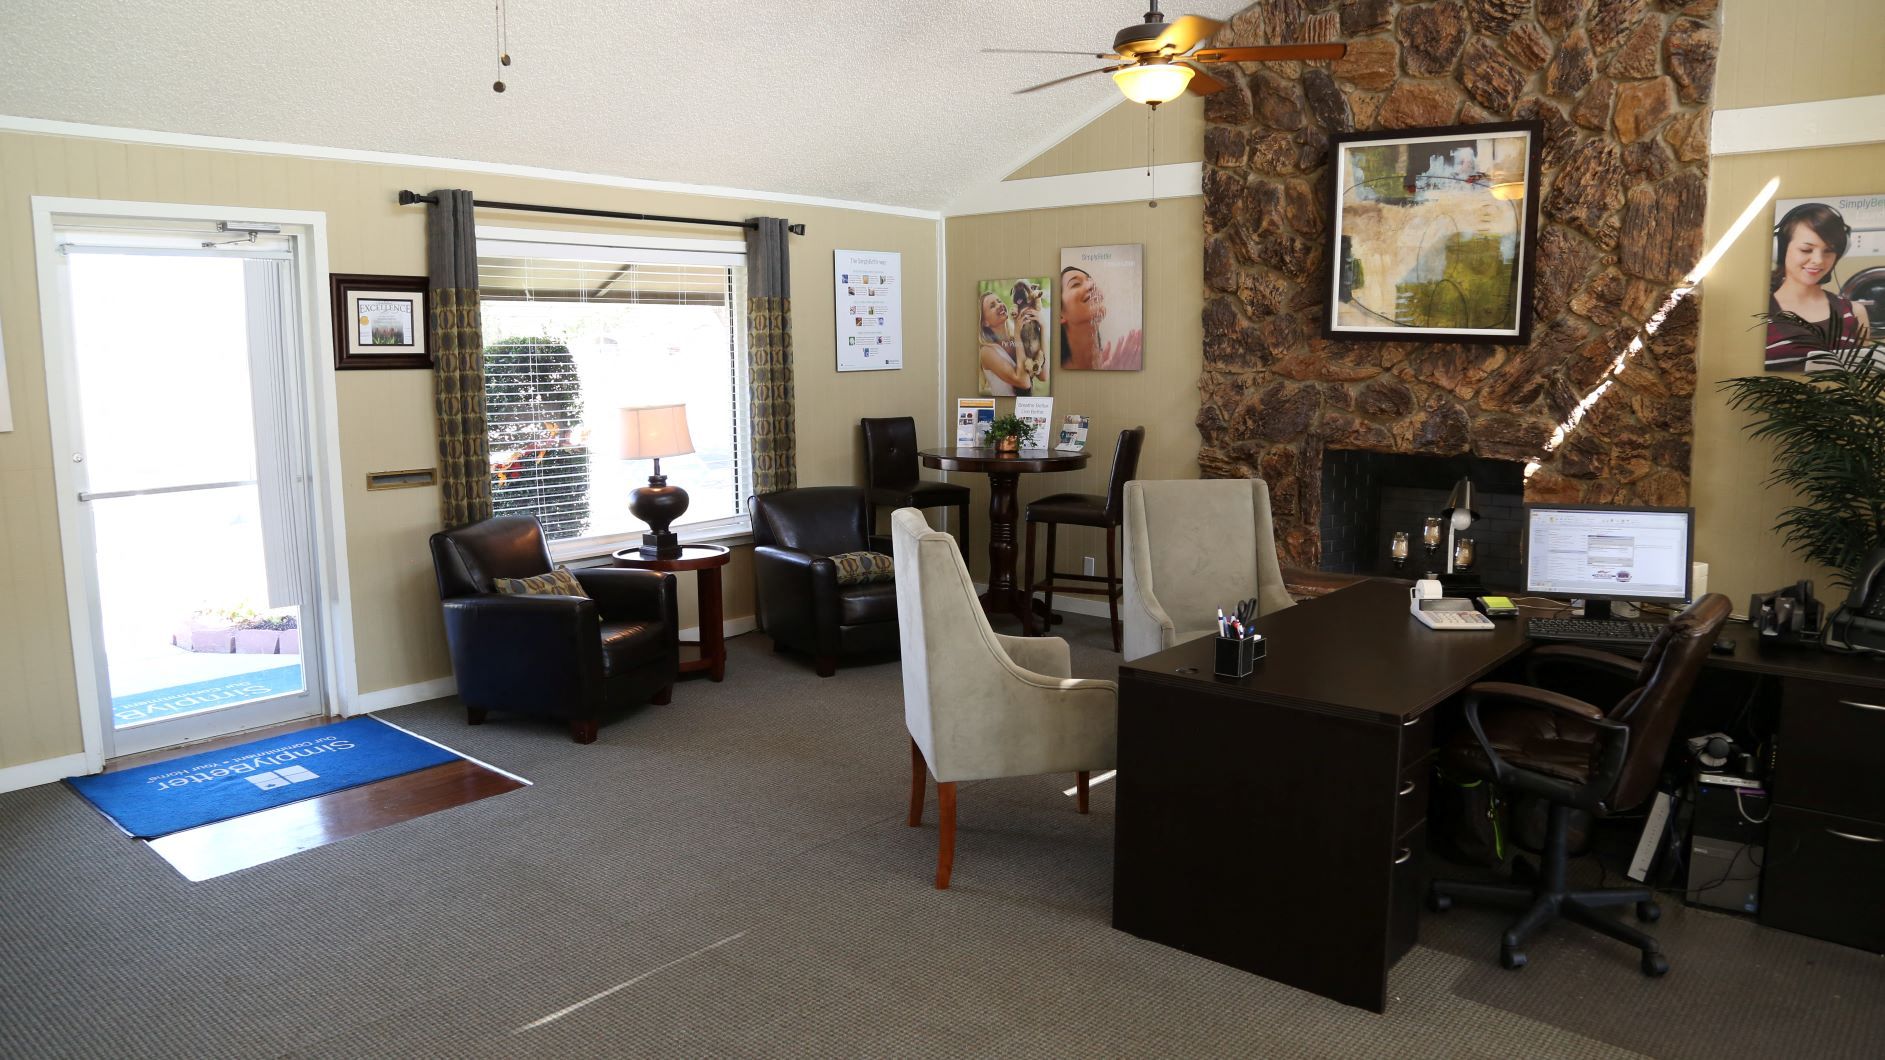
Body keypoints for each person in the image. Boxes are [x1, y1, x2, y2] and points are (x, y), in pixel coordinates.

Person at [1767, 202, 1872, 371]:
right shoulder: (1759, 310)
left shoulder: (1855, 312)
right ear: (1780, 250)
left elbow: (1861, 380)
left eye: (1828, 251)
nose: (1819, 260)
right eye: (1806, 250)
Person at [1058, 266, 1143, 371]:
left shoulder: (1120, 360)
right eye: (1076, 284)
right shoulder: (1051, 368)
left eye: (1091, 281)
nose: (1092, 284)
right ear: (1060, 314)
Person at [978, 290, 1035, 396]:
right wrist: (1018, 334)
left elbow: (1043, 376)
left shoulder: (1016, 340)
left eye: (999, 301)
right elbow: (1024, 382)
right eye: (992, 306)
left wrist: (1043, 327)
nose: (999, 305)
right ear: (985, 322)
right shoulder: (986, 351)